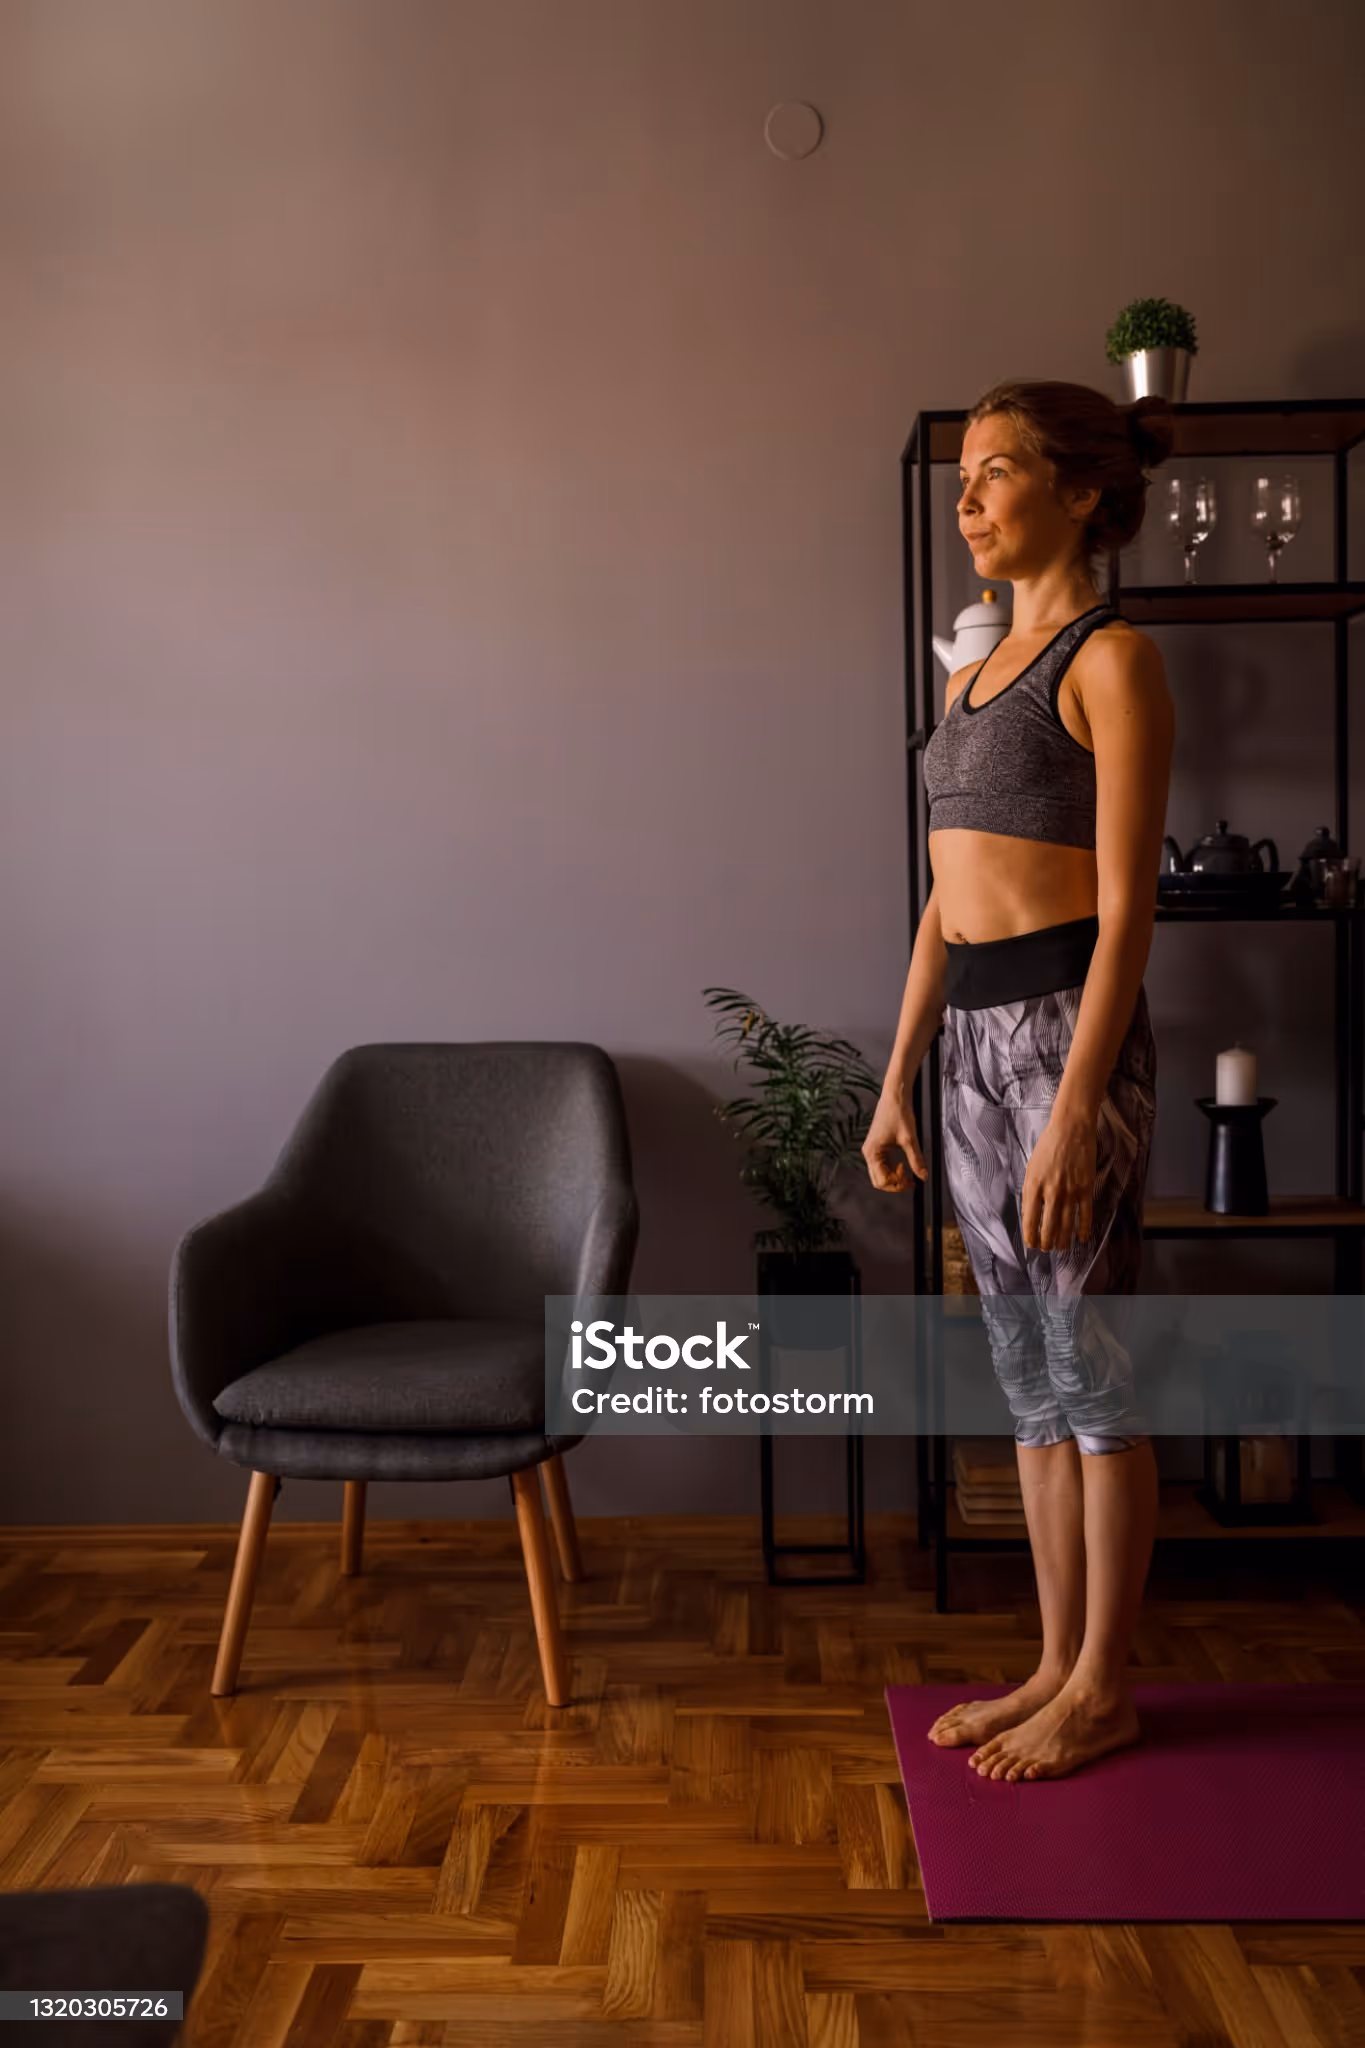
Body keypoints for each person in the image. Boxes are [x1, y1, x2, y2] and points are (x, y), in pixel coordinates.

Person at [863, 379, 1176, 1782]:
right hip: (976, 1045)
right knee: (1027, 1382)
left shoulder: (1112, 661)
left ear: (1082, 494)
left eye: (998, 474)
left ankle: (1105, 1684)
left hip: (1067, 1037)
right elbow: (942, 902)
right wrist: (896, 1079)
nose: (971, 499)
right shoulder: (973, 672)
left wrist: (1071, 1109)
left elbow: (1126, 919)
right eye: (967, 477)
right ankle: (1053, 1662)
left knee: (1094, 1372)